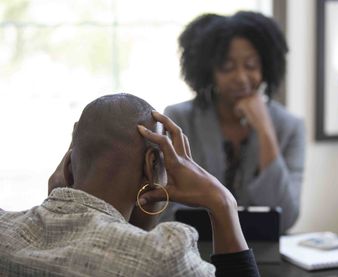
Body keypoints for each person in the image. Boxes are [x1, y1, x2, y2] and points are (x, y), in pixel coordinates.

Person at [0, 93, 259, 276]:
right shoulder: (162, 257)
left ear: (67, 166)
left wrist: (57, 202)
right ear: (151, 164)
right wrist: (222, 202)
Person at [162, 11, 305, 232]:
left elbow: (286, 219)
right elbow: (166, 209)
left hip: (265, 259)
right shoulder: (179, 120)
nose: (240, 77)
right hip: (193, 252)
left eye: (251, 65)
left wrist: (265, 130)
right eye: (227, 67)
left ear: (266, 67)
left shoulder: (290, 127)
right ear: (209, 71)